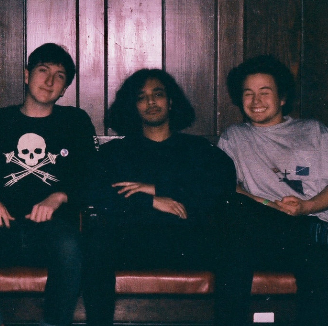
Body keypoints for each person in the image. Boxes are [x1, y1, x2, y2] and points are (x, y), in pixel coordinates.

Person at [0, 43, 97, 326]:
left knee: (70, 246)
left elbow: (92, 177)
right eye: (43, 70)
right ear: (26, 75)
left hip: (54, 232)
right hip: (3, 230)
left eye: (59, 76)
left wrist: (59, 196)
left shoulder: (75, 122)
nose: (49, 81)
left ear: (64, 89)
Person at [82, 68, 236, 326]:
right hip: (132, 241)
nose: (151, 102)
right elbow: (94, 191)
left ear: (171, 101)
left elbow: (221, 186)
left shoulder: (197, 149)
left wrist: (156, 188)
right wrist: (151, 201)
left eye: (158, 94)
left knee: (232, 246)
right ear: (133, 106)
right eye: (141, 97)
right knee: (95, 244)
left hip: (187, 242)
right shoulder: (116, 152)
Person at [215, 55, 328, 326]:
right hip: (262, 232)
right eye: (248, 93)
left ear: (282, 98)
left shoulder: (313, 130)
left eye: (265, 92)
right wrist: (268, 205)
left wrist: (306, 207)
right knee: (233, 231)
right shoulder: (234, 137)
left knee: (313, 261)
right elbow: (227, 188)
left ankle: (310, 230)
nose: (256, 101)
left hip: (308, 224)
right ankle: (314, 231)